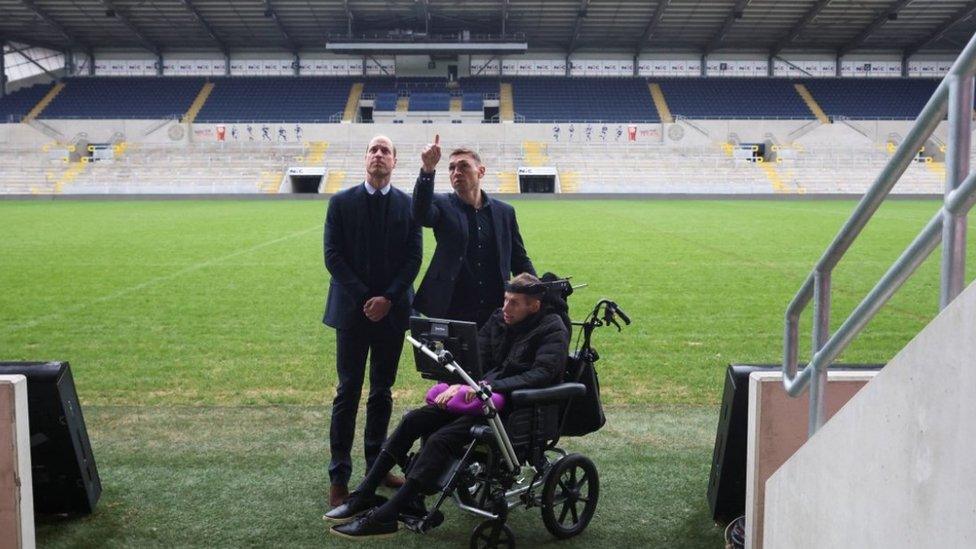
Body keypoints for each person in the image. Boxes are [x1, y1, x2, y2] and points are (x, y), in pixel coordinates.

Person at [326, 273, 570, 539]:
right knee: (413, 420)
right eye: (505, 300)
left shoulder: (552, 327)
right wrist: (459, 383)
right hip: (478, 399)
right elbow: (476, 360)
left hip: (511, 410)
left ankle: (387, 515)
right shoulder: (499, 319)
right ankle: (363, 494)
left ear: (534, 306)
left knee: (440, 440)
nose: (505, 308)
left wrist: (487, 388)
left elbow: (542, 374)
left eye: (514, 303)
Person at [323, 135, 423, 507]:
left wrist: (389, 299)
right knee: (347, 393)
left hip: (392, 315)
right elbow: (333, 257)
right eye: (373, 150)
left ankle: (376, 468)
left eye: (385, 151)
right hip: (352, 313)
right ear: (365, 159)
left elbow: (413, 259)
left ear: (395, 161)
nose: (378, 155)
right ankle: (339, 476)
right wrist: (368, 298)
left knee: (382, 392)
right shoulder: (340, 202)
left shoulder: (409, 206)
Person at [412, 135, 536, 327]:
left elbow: (519, 258)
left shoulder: (504, 212)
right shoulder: (441, 204)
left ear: (481, 171)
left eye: (463, 166)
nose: (456, 172)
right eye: (452, 168)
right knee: (452, 357)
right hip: (451, 305)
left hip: (495, 307)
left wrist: (538, 290)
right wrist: (427, 170)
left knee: (494, 356)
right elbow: (420, 214)